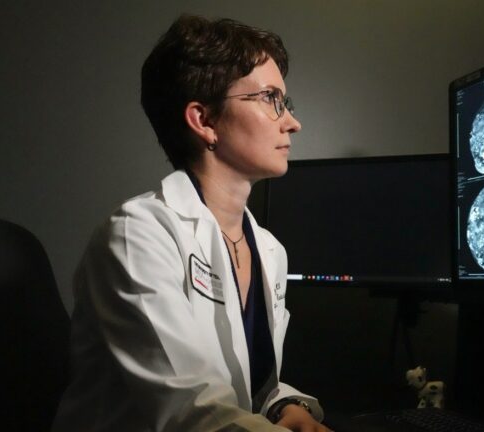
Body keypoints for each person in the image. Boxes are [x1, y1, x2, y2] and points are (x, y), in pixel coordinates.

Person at [53, 15, 331, 432]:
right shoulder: (138, 235)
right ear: (204, 120)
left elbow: (245, 380)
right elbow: (190, 408)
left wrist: (282, 405)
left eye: (285, 103)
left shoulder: (270, 251)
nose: (292, 122)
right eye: (270, 98)